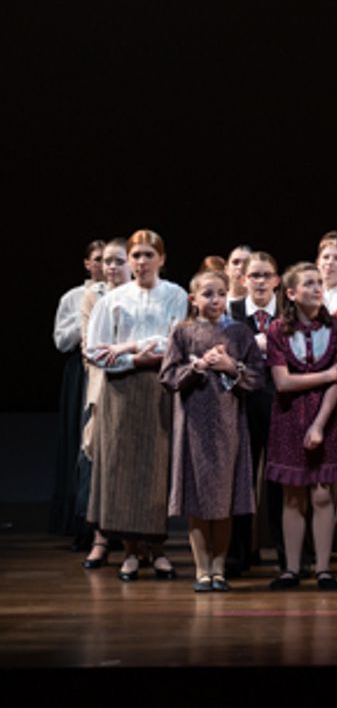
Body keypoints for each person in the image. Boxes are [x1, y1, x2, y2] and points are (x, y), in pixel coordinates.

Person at [84, 229, 187, 581]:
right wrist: (134, 360)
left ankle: (157, 549)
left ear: (161, 258)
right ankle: (129, 551)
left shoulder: (175, 295)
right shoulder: (113, 299)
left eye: (148, 255)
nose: (142, 262)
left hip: (160, 386)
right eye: (136, 256)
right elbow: (96, 349)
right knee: (123, 467)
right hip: (122, 389)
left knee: (156, 467)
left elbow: (173, 341)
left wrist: (129, 347)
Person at [160, 270, 263, 592]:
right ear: (194, 299)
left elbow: (257, 376)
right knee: (198, 498)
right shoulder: (183, 332)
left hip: (228, 423)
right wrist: (198, 366)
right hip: (193, 423)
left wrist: (231, 367)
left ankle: (219, 568)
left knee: (223, 497)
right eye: (207, 294)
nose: (215, 300)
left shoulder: (239, 333)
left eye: (220, 293)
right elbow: (168, 376)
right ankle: (202, 568)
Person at [264, 261, 337, 590]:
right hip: (289, 416)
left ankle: (323, 568)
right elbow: (283, 382)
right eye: (309, 283)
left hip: (326, 416)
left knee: (322, 494)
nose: (317, 288)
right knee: (292, 496)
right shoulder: (277, 330)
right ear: (291, 293)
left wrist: (318, 425)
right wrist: (326, 374)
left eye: (319, 283)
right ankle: (291, 568)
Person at [76, 239, 131, 569]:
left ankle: (141, 542)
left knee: (135, 463)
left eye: (118, 261)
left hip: (140, 382)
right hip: (103, 384)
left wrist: (126, 352)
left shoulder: (144, 295)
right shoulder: (93, 297)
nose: (111, 267)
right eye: (107, 261)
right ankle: (101, 538)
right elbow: (89, 347)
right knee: (99, 461)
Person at [226, 250, 281, 577]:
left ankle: (288, 556)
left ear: (277, 280)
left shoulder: (288, 313)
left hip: (281, 403)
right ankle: (238, 553)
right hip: (241, 403)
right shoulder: (231, 312)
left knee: (280, 480)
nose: (260, 282)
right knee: (241, 480)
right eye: (254, 276)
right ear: (243, 279)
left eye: (266, 275)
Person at [52, 239, 106, 540]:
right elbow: (61, 341)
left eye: (108, 259)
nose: (102, 265)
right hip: (79, 370)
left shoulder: (119, 294)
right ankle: (78, 523)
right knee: (80, 439)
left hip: (106, 367)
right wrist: (87, 313)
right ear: (87, 264)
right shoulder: (73, 297)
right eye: (97, 259)